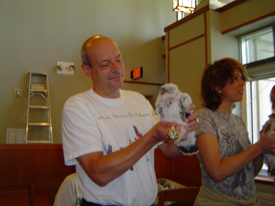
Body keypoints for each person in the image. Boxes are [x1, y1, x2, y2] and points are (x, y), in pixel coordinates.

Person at [61, 35, 198, 206]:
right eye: (105, 64)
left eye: (119, 60)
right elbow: (99, 174)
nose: (116, 68)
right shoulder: (77, 107)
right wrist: (152, 136)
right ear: (87, 71)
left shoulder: (138, 100)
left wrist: (183, 133)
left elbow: (169, 149)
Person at [193, 58, 275, 206]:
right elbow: (217, 172)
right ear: (218, 86)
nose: (242, 83)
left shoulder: (239, 121)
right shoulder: (204, 117)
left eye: (242, 79)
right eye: (235, 78)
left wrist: (262, 148)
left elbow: (250, 172)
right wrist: (258, 147)